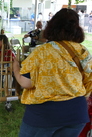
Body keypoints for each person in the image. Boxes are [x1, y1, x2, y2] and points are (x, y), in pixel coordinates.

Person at [13, 8, 92, 136]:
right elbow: (89, 83)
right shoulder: (83, 51)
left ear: (52, 26)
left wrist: (15, 68)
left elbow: (26, 83)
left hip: (44, 115)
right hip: (77, 113)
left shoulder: (41, 51)